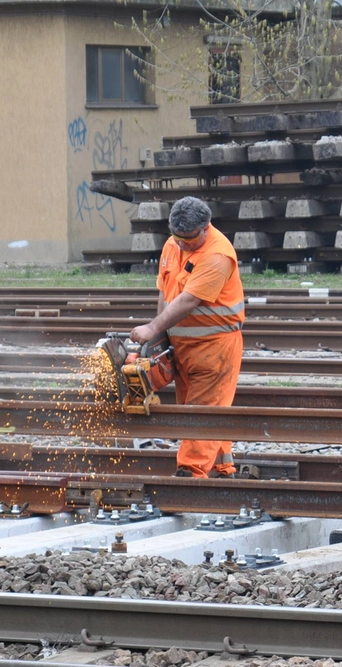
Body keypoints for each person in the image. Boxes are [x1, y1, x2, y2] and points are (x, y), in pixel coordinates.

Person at [129, 196, 244, 478]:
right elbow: (165, 292)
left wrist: (152, 329)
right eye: (177, 238)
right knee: (198, 410)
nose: (182, 244)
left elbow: (188, 301)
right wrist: (159, 342)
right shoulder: (173, 244)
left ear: (206, 228)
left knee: (202, 412)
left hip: (215, 348)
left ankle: (191, 475)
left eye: (189, 240)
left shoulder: (217, 255)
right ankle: (221, 468)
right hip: (182, 346)